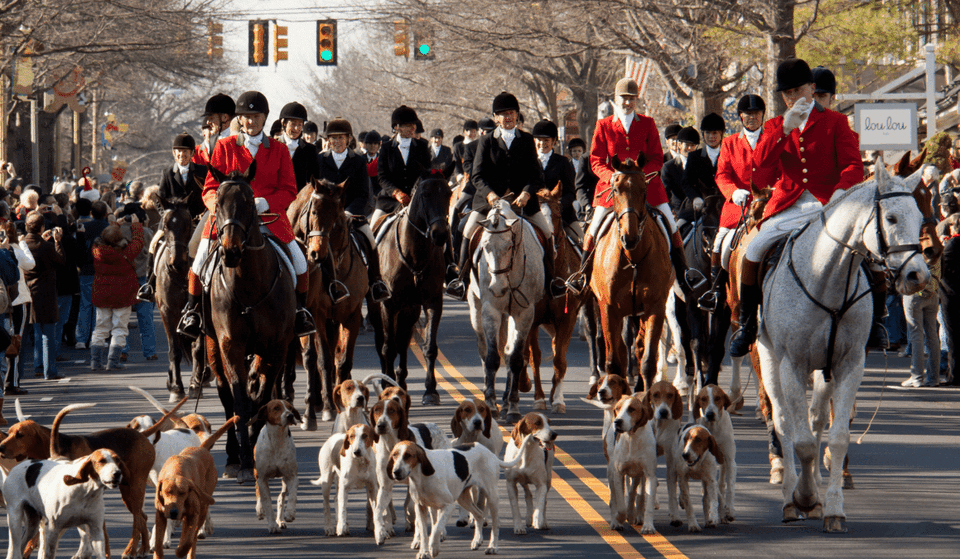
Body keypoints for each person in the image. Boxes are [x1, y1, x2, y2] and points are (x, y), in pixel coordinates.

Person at [728, 59, 864, 357]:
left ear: (812, 88)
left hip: (829, 203)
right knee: (753, 250)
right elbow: (760, 168)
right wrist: (782, 132)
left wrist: (841, 192)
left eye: (798, 90)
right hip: (789, 205)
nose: (792, 98)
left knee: (866, 249)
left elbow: (854, 165)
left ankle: (876, 319)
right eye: (786, 94)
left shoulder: (835, 121)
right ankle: (748, 324)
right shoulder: (776, 125)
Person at [177, 91, 316, 339]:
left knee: (301, 262)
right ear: (239, 119)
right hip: (230, 220)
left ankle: (300, 312)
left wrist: (267, 203)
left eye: (256, 116)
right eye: (246, 117)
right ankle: (192, 311)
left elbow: (289, 190)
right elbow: (209, 188)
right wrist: (219, 209)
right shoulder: (224, 146)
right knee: (198, 264)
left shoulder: (279, 149)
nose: (251, 122)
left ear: (265, 118)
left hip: (269, 219)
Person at [569, 78, 707, 296]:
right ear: (616, 100)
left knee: (671, 224)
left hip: (647, 187)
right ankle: (583, 275)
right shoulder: (603, 125)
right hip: (612, 190)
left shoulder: (648, 123)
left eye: (632, 99)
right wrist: (612, 177)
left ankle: (683, 274)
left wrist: (641, 177)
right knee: (594, 228)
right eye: (624, 98)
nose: (628, 103)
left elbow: (656, 159)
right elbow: (595, 160)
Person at [445, 92, 565, 300]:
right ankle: (461, 280)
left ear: (517, 115)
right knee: (466, 229)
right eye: (503, 114)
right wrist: (490, 195)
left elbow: (535, 174)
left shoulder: (527, 140)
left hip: (522, 203)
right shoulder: (485, 141)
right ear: (495, 117)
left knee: (547, 232)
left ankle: (551, 281)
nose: (508, 117)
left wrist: (527, 193)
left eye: (511, 113)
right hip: (489, 203)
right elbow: (477, 175)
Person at [699, 94, 780, 311]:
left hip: (768, 207)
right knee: (720, 243)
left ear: (763, 115)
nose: (752, 117)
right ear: (741, 117)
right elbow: (722, 175)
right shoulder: (729, 143)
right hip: (738, 208)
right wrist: (733, 192)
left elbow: (783, 173)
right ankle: (716, 291)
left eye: (756, 113)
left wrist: (774, 191)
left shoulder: (773, 140)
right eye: (748, 114)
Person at [317, 118, 389, 302]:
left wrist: (348, 212)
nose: (337, 142)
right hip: (323, 217)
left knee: (370, 240)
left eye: (341, 137)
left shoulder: (358, 161)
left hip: (351, 213)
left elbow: (363, 194)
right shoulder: (320, 160)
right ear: (328, 140)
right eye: (333, 138)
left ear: (348, 139)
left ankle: (376, 282)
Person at [136, 133, 207, 303]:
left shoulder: (202, 171)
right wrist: (167, 216)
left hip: (196, 220)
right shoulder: (167, 172)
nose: (181, 156)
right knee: (154, 244)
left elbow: (206, 195)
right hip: (172, 221)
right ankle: (149, 284)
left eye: (185, 152)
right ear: (174, 153)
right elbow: (160, 200)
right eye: (178, 152)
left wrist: (203, 214)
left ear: (192, 154)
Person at [91, 217, 145, 370]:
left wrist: (114, 225)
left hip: (102, 293)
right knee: (120, 328)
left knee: (100, 327)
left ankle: (95, 361)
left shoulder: (97, 250)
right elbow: (138, 242)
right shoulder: (126, 252)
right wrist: (136, 225)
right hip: (123, 294)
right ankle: (112, 362)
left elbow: (104, 237)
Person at [371, 105, 432, 226]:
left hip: (416, 200)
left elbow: (426, 173)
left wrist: (414, 194)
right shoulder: (386, 148)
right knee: (373, 227)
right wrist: (396, 192)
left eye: (413, 124)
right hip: (389, 200)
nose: (413, 128)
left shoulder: (422, 146)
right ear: (396, 127)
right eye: (408, 125)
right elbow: (382, 177)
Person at [22, 211, 66, 380]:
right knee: (48, 332)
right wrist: (57, 242)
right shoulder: (46, 247)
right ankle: (50, 370)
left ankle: (37, 365)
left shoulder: (22, 244)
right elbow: (61, 260)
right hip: (45, 292)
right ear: (42, 227)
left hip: (27, 292)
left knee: (33, 332)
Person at [532, 119, 582, 243]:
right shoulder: (528, 162)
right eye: (539, 140)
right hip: (534, 214)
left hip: (563, 215)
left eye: (546, 140)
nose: (542, 143)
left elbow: (571, 192)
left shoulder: (562, 162)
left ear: (553, 141)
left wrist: (559, 204)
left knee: (583, 242)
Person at [682, 112, 725, 214]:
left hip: (724, 204)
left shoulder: (729, 154)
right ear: (703, 134)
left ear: (721, 133)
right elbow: (686, 182)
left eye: (714, 133)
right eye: (708, 133)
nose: (711, 137)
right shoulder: (694, 156)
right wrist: (695, 197)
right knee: (680, 225)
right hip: (700, 204)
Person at [278, 102, 320, 192]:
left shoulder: (310, 150)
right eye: (293, 124)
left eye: (300, 125)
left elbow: (316, 180)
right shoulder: (273, 146)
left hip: (299, 200)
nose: (296, 128)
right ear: (284, 123)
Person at [193, 93, 235, 166]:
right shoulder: (213, 141)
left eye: (211, 118)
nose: (208, 122)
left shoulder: (239, 140)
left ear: (225, 118)